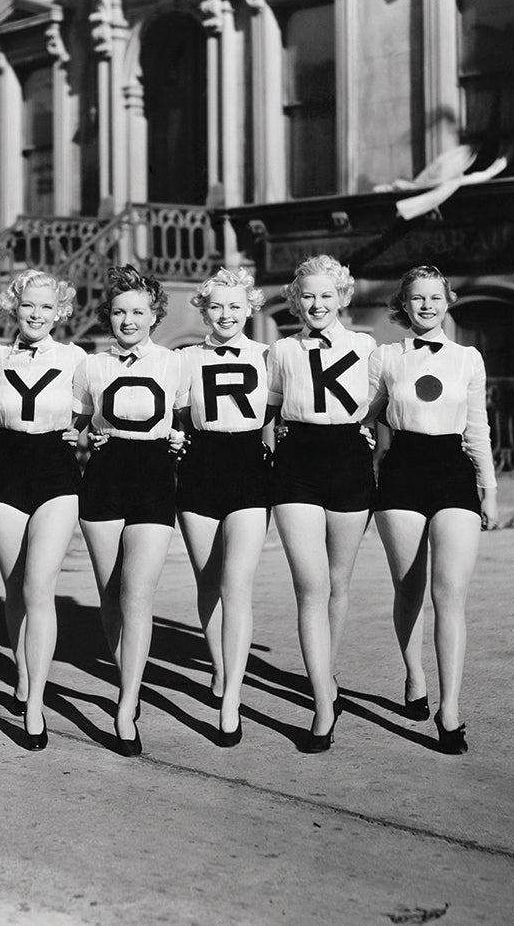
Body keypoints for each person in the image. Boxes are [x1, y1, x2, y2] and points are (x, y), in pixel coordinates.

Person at [368, 265, 499, 755]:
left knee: (450, 596)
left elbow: (478, 427)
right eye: (417, 298)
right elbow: (363, 413)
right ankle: (414, 675)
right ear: (403, 305)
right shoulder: (385, 357)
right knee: (409, 589)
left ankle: (450, 710)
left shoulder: (468, 358)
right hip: (401, 472)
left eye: (435, 297)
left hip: (453, 473)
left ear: (448, 301)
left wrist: (489, 488)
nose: (426, 305)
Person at [73, 265, 188, 757]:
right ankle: (129, 681)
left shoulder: (175, 363)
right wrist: (85, 438)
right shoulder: (91, 365)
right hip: (104, 477)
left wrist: (182, 440)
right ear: (109, 315)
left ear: (154, 315)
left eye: (138, 312)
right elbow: (75, 427)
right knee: (110, 595)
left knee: (138, 594)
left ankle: (125, 706)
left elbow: (188, 421)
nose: (128, 320)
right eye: (120, 311)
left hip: (154, 477)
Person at [266, 255, 377, 753]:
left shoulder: (366, 347)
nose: (316, 304)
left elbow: (383, 403)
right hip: (297, 465)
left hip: (349, 461)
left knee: (337, 582)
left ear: (343, 297)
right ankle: (322, 707)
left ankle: (326, 675)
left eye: (326, 295)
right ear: (295, 300)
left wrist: (370, 434)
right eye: (307, 295)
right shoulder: (282, 349)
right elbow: (267, 412)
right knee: (310, 586)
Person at [0, 269, 86, 750]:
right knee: (15, 587)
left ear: (60, 312)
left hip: (56, 472)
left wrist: (81, 431)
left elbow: (90, 408)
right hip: (4, 469)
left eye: (47, 306)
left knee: (39, 586)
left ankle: (36, 705)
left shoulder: (75, 358)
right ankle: (23, 672)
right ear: (14, 308)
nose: (36, 314)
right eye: (28, 305)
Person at [174, 267, 271, 747]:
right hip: (200, 466)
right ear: (203, 310)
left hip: (249, 466)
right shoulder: (185, 358)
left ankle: (232, 698)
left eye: (235, 305)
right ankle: (219, 666)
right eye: (216, 306)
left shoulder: (269, 355)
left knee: (237, 585)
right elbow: (171, 412)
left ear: (250, 308)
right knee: (208, 581)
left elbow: (287, 408)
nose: (226, 314)